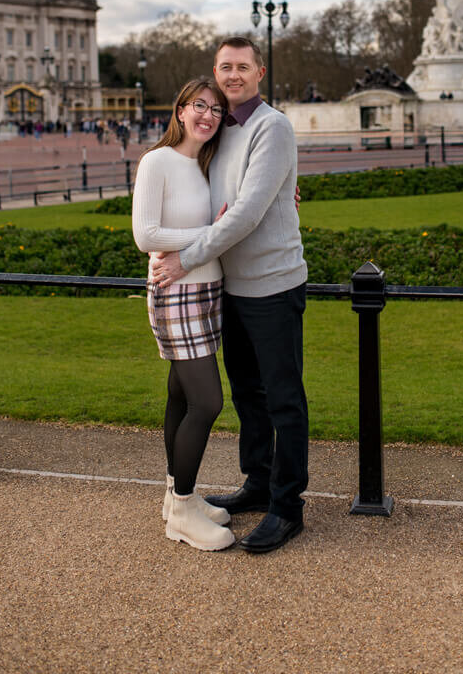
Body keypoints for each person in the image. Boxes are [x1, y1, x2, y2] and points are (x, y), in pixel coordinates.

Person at [152, 36, 308, 554]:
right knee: (247, 395)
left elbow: (246, 213)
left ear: (259, 72)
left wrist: (186, 257)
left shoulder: (272, 126)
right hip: (229, 288)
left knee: (284, 399)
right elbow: (206, 200)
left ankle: (287, 507)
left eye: (243, 67)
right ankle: (258, 482)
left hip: (273, 283)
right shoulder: (220, 132)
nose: (233, 75)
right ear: (214, 74)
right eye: (225, 67)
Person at [132, 77, 235, 552]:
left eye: (216, 110)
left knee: (180, 395)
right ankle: (183, 510)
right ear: (179, 110)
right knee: (207, 403)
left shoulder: (209, 165)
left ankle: (178, 500)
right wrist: (206, 232)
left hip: (209, 291)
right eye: (199, 105)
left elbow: (233, 219)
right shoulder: (158, 162)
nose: (207, 116)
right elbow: (147, 236)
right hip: (176, 293)